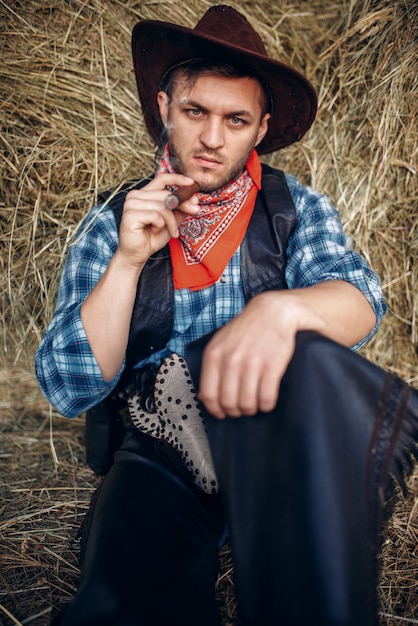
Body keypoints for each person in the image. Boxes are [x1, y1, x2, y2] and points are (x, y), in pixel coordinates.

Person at [35, 5, 418, 626]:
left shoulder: (294, 209)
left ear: (260, 129)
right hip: (162, 445)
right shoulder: (114, 221)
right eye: (196, 112)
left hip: (270, 429)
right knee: (128, 588)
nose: (213, 139)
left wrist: (278, 310)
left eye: (235, 120)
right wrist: (129, 262)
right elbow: (71, 387)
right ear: (164, 109)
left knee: (317, 367)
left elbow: (360, 304)